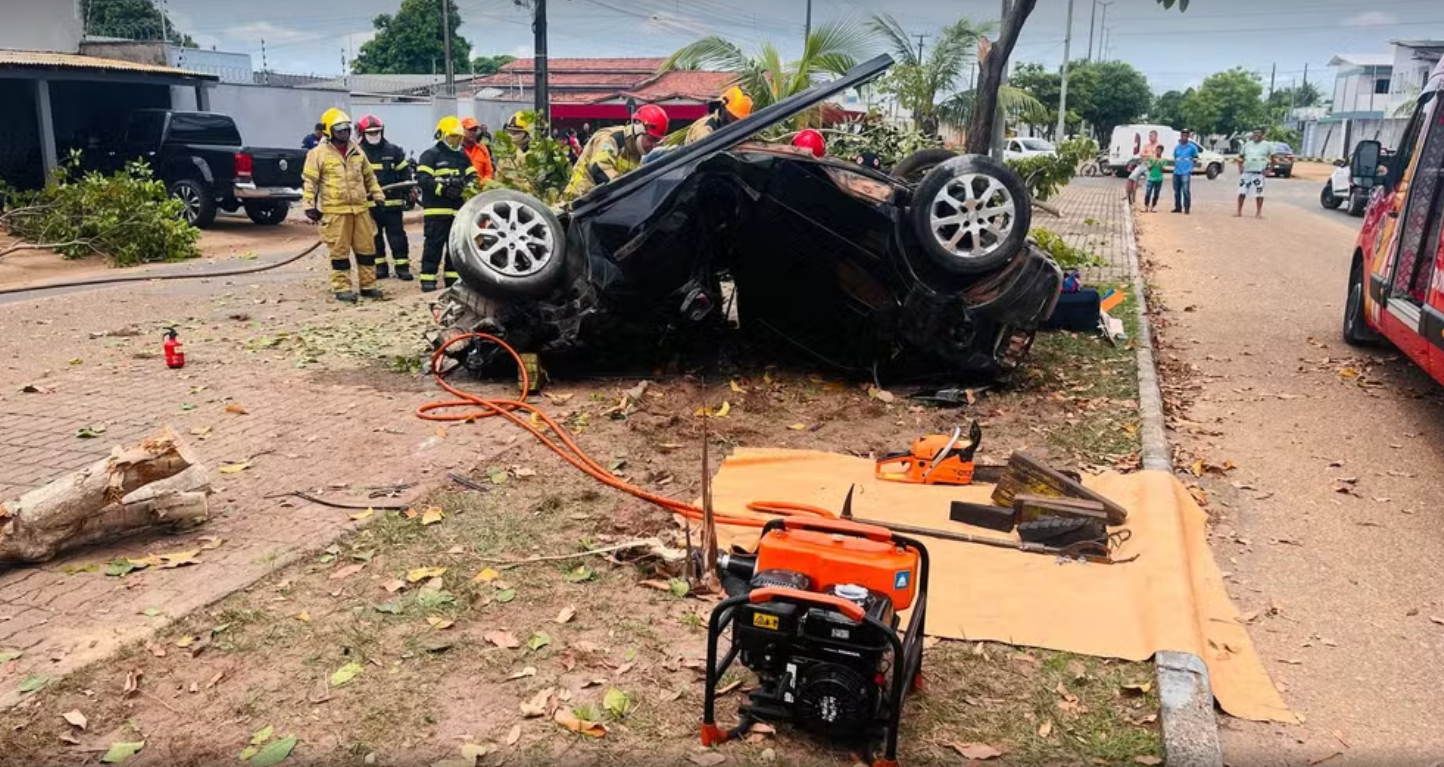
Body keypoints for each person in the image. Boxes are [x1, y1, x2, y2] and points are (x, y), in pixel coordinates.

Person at [301, 108, 386, 303]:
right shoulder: (318, 154)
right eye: (339, 130)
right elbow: (310, 182)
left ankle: (368, 286)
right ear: (329, 131)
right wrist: (308, 205)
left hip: (360, 209)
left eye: (346, 129)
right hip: (335, 212)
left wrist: (378, 196)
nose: (344, 133)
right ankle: (342, 288)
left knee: (367, 250)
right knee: (339, 253)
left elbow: (369, 177)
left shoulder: (357, 151)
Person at [415, 116, 479, 292]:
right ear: (442, 135)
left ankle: (452, 278)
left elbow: (473, 177)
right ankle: (428, 279)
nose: (455, 141)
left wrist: (464, 188)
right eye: (452, 137)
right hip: (436, 211)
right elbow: (423, 179)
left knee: (454, 247)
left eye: (458, 138)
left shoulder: (462, 157)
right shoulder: (430, 155)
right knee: (433, 246)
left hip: (457, 211)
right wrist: (442, 189)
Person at [564, 104, 669, 198]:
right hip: (578, 200)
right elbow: (599, 168)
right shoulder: (611, 139)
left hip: (597, 204)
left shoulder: (634, 153)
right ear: (638, 129)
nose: (653, 146)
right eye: (651, 140)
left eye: (657, 141)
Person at [356, 114, 413, 281]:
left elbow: (404, 173)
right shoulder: (358, 153)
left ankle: (402, 267)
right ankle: (380, 268)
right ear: (362, 133)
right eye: (370, 132)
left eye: (377, 132)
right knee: (374, 238)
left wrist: (408, 191)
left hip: (392, 204)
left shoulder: (393, 151)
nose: (374, 135)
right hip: (369, 205)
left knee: (397, 237)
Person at [684, 86, 753, 144]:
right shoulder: (705, 128)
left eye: (739, 119)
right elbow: (706, 154)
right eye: (733, 116)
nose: (736, 121)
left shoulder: (738, 131)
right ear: (723, 108)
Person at [1236, 128, 1271, 218]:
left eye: (1258, 133)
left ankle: (1258, 213)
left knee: (1259, 193)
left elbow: (1274, 157)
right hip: (1246, 172)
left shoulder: (1267, 145)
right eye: (1255, 133)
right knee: (1242, 192)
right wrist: (1240, 167)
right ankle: (1238, 212)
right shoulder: (1247, 145)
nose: (1256, 135)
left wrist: (1270, 169)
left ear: (1262, 135)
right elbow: (1240, 157)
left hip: (1259, 173)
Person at [1171, 129, 1200, 214]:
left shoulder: (1192, 147)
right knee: (1176, 191)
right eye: (1183, 135)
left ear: (1188, 136)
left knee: (1186, 190)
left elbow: (1196, 158)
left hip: (1186, 172)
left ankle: (1187, 207)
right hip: (1177, 171)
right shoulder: (1177, 147)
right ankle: (1178, 207)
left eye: (1186, 135)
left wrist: (1191, 166)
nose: (1184, 136)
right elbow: (1175, 158)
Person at [460, 117, 494, 182]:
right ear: (462, 130)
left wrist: (480, 184)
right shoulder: (456, 150)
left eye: (475, 130)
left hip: (480, 189)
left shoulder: (483, 149)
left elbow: (489, 173)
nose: (473, 132)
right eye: (470, 129)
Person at [1144, 144, 1166, 212]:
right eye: (1157, 150)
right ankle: (1146, 206)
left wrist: (1159, 163)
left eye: (1160, 150)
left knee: (1156, 194)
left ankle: (1152, 207)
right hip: (1151, 178)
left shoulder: (1164, 160)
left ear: (1162, 152)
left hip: (1159, 179)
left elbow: (1163, 170)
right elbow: (1149, 168)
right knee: (1148, 193)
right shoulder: (1151, 158)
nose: (1158, 152)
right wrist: (1154, 162)